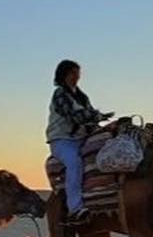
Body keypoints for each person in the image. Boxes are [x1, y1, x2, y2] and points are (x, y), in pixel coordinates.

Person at [45, 59, 111, 223]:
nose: (76, 76)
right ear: (64, 75)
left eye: (77, 73)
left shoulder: (82, 96)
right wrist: (98, 116)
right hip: (62, 140)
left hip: (82, 138)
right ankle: (75, 209)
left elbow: (89, 118)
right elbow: (76, 117)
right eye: (73, 73)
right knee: (74, 162)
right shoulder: (60, 94)